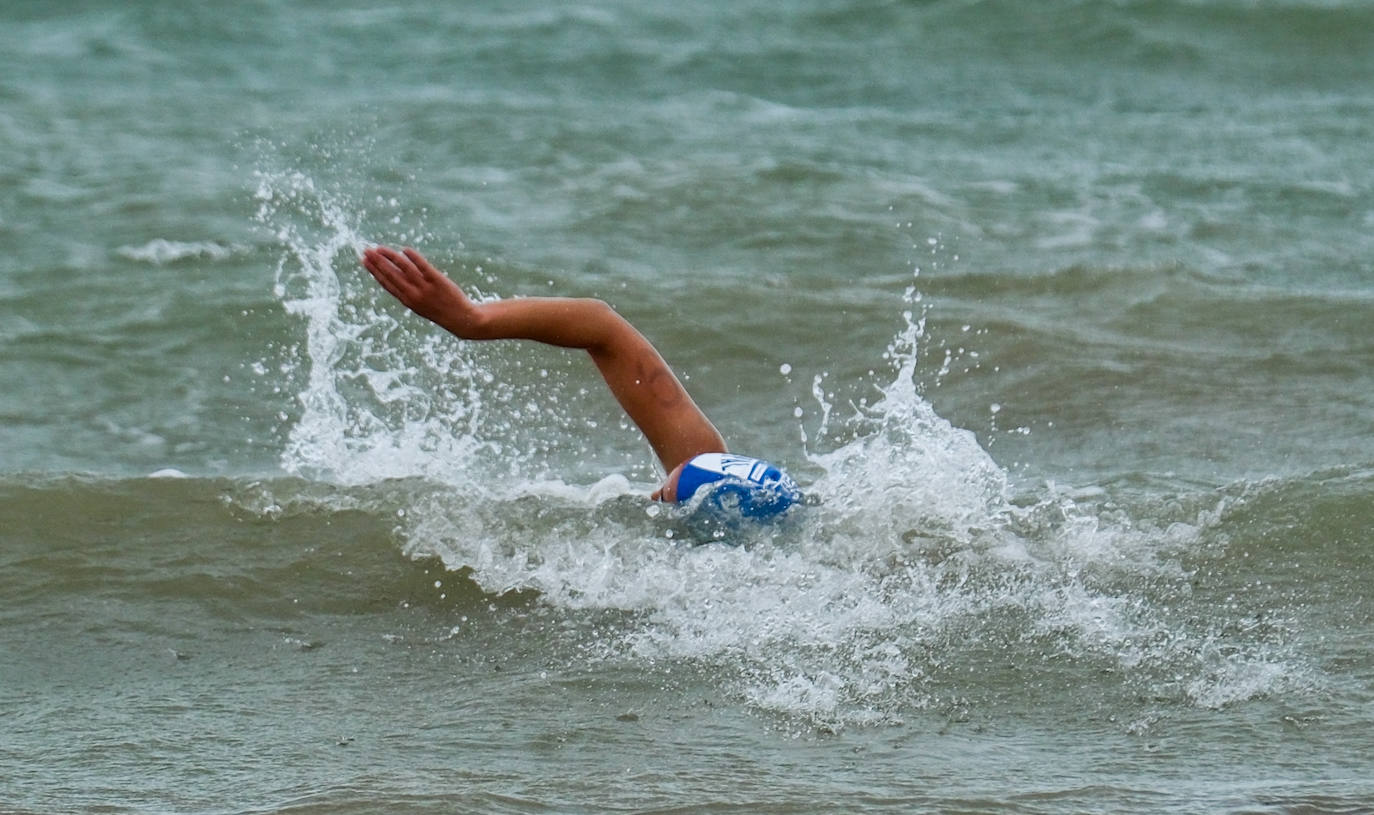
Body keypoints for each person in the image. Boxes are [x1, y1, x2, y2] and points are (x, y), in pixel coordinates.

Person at [360, 246, 801, 518]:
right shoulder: (705, 462)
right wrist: (474, 320)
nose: (657, 494)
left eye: (668, 495)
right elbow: (600, 326)